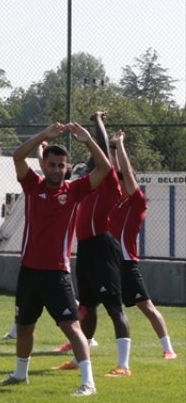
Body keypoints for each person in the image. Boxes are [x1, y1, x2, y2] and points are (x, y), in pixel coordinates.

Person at [0, 122, 112, 397]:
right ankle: (19, 375)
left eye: (62, 166)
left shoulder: (74, 191)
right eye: (52, 164)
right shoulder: (32, 185)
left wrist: (87, 140)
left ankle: (88, 383)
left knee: (71, 327)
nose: (57, 170)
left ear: (67, 168)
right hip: (28, 272)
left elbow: (105, 168)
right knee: (25, 326)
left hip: (56, 273)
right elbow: (17, 156)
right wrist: (44, 136)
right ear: (44, 165)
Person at [58, 112, 132, 375]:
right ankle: (80, 359)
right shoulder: (87, 186)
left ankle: (123, 365)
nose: (89, 168)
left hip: (103, 247)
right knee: (87, 307)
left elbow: (99, 148)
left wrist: (97, 120)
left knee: (114, 307)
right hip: (87, 249)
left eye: (93, 165)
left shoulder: (109, 180)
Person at [108, 130, 176, 359]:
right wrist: (113, 151)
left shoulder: (138, 203)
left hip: (127, 264)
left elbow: (125, 172)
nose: (121, 183)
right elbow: (114, 172)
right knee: (89, 303)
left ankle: (168, 348)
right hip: (110, 263)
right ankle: (80, 344)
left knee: (146, 307)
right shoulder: (116, 202)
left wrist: (120, 144)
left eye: (126, 181)